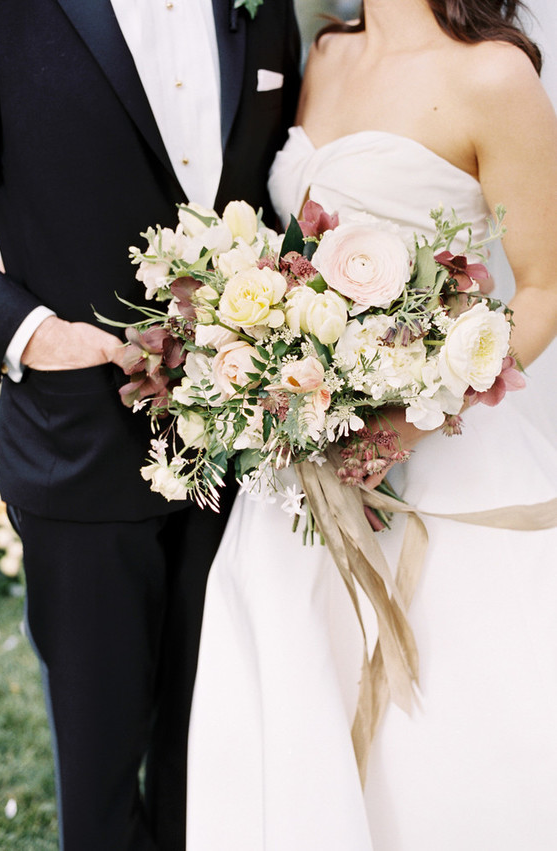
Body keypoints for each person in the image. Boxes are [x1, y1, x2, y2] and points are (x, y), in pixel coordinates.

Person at [186, 0, 557, 848]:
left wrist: (412, 417)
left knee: (445, 732)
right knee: (292, 690)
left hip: (443, 451)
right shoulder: (324, 50)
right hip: (301, 461)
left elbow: (542, 287)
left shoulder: (494, 75)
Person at [0, 3, 300, 849]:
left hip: (244, 466)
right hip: (78, 452)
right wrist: (24, 332)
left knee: (211, 767)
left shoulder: (262, 10)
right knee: (98, 791)